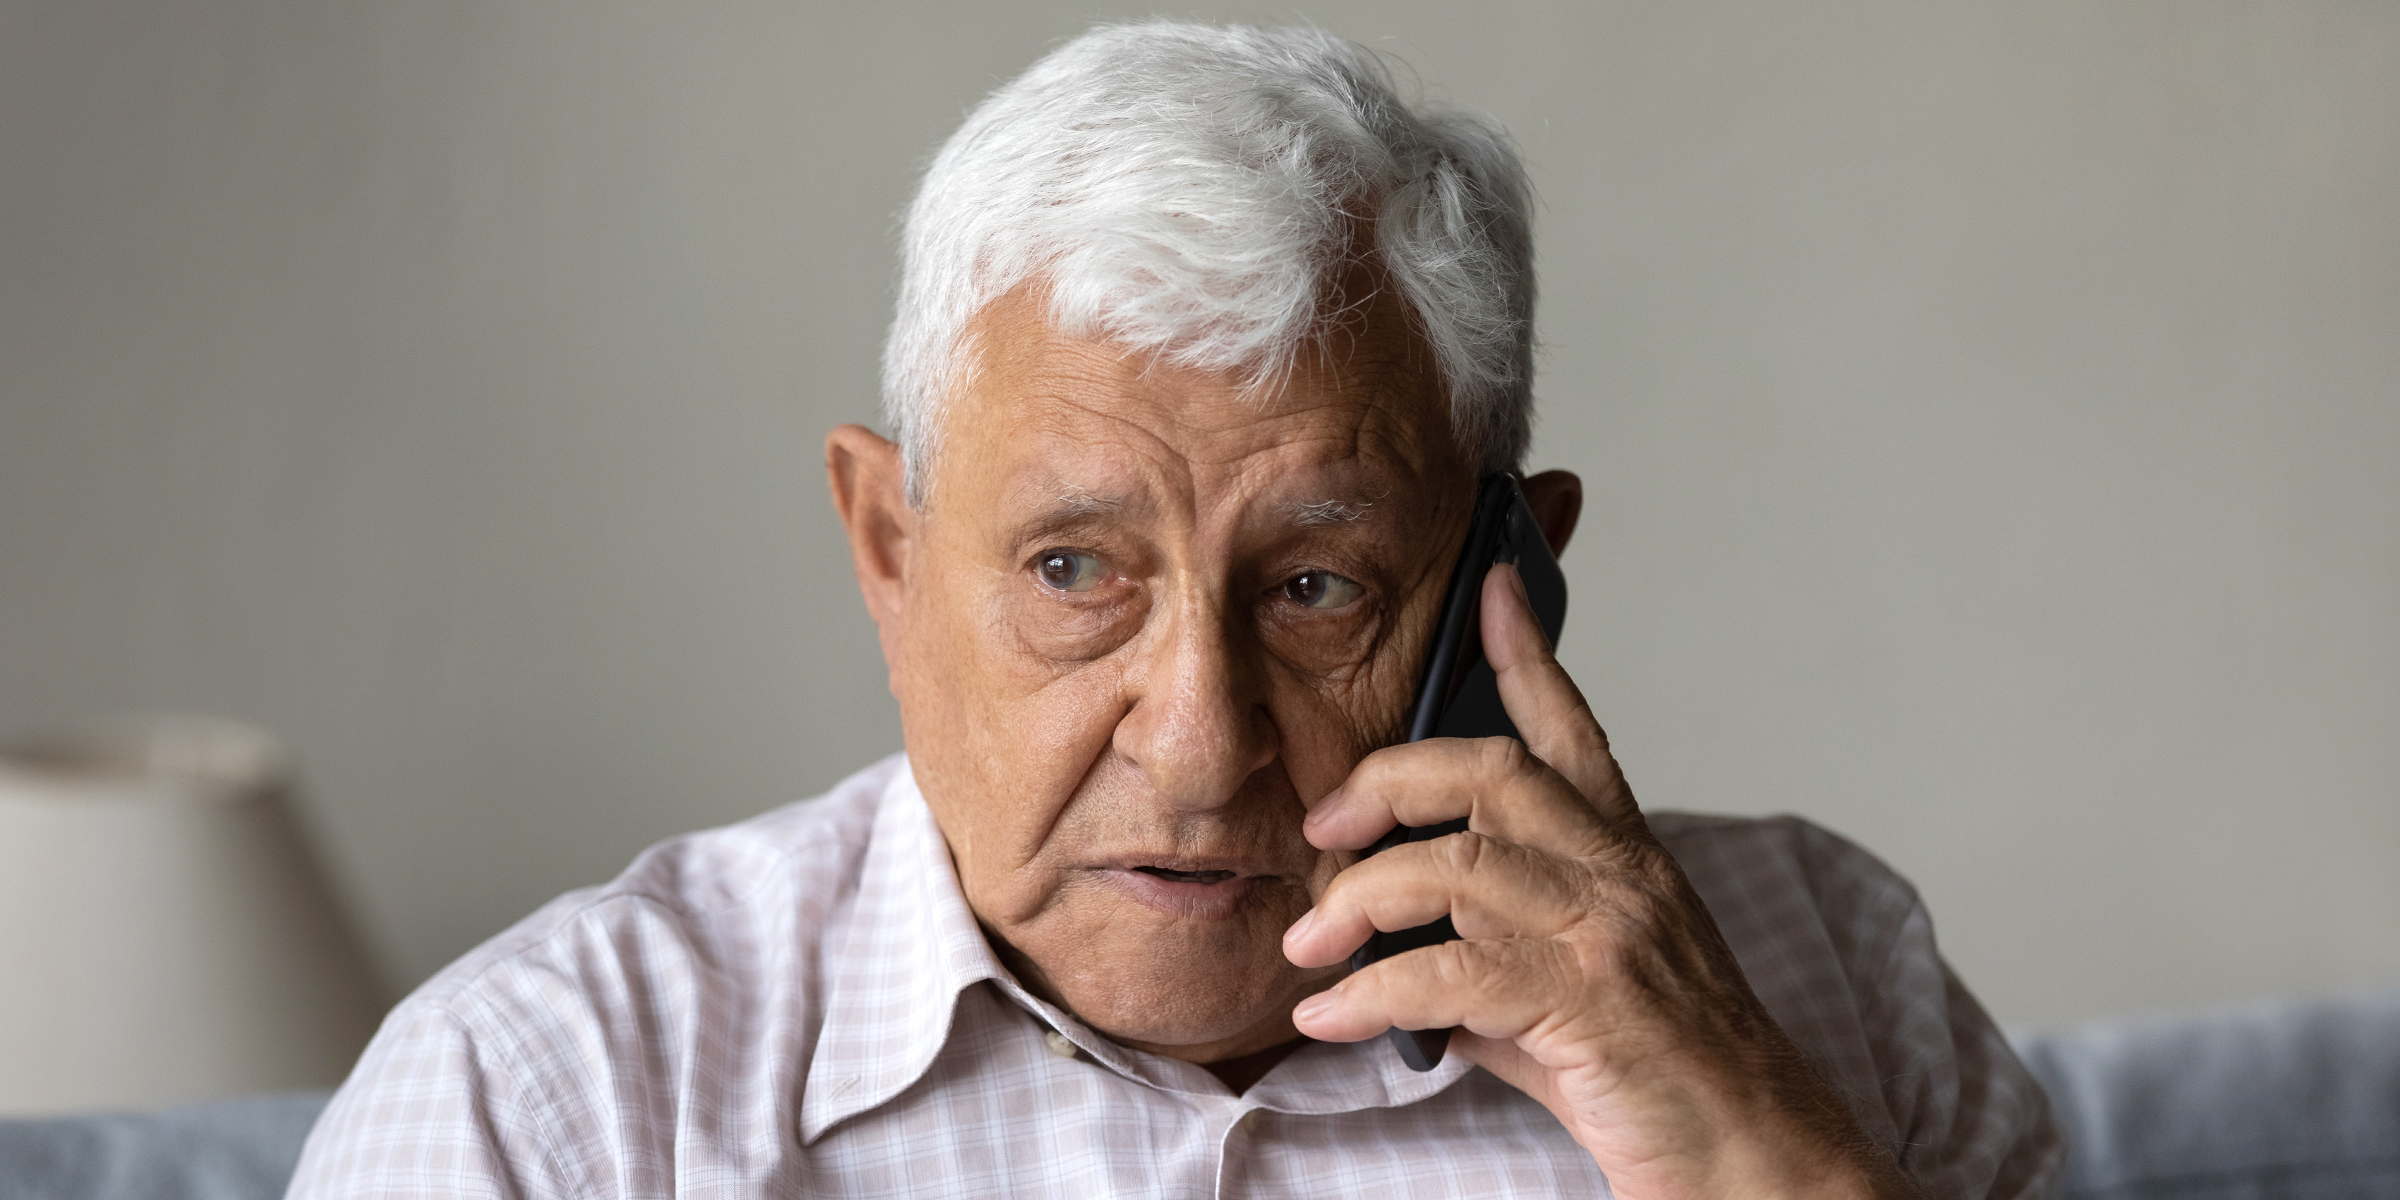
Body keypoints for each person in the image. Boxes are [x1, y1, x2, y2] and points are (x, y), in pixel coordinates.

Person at [288, 21, 2059, 1199]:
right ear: (890, 552)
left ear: (1512, 583)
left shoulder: (1828, 975)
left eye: (1313, 587)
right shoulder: (552, 1100)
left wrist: (1777, 1162)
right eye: (1075, 571)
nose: (1202, 742)